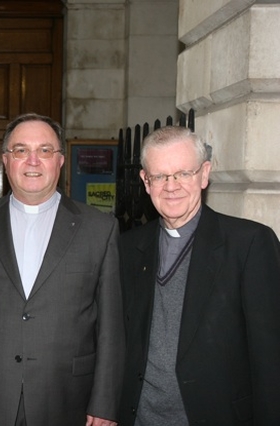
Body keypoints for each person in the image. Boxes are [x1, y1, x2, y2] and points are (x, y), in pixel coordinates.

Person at [0, 112, 124, 426]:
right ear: (6, 161)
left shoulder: (100, 229)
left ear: (60, 160)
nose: (33, 160)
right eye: (21, 150)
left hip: (67, 397)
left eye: (45, 150)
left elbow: (111, 326)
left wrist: (105, 403)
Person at [118, 126, 280, 425]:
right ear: (145, 181)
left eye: (183, 173)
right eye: (160, 176)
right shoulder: (128, 248)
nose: (171, 186)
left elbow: (271, 357)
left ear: (204, 174)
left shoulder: (249, 243)